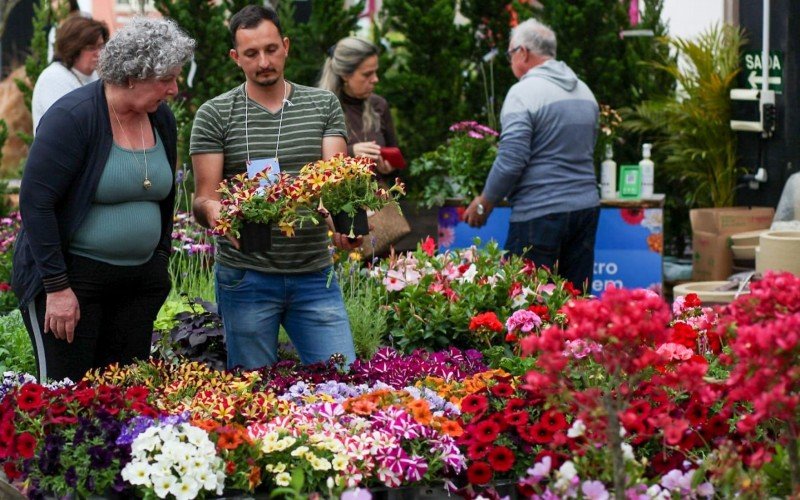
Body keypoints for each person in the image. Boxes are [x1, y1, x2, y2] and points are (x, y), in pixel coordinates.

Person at [13, 17, 195, 382]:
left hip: (136, 288)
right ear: (132, 77)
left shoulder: (160, 119)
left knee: (124, 399)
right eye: (166, 79)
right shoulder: (73, 117)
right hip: (72, 287)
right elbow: (36, 203)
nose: (174, 89)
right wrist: (57, 287)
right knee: (68, 401)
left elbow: (162, 194)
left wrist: (159, 261)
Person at [190, 5, 358, 371]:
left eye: (270, 49)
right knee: (253, 389)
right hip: (246, 275)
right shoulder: (215, 114)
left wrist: (343, 224)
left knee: (343, 378)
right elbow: (203, 199)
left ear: (286, 46)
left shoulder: (322, 104)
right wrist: (217, 213)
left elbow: (335, 178)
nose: (263, 61)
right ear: (235, 57)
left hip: (314, 273)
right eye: (251, 53)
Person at [463, 18, 600, 290]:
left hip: (539, 214)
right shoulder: (585, 92)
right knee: (575, 304)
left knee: (526, 303)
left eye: (510, 53)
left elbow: (511, 159)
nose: (510, 60)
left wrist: (484, 202)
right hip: (586, 208)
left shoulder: (523, 93)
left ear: (522, 52)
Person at [318, 37, 399, 179]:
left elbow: (396, 157)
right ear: (345, 75)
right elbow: (310, 165)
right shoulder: (320, 109)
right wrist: (350, 152)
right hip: (336, 198)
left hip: (377, 196)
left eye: (375, 71)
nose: (375, 79)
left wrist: (389, 167)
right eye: (367, 74)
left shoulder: (379, 105)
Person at [31, 14, 109, 132]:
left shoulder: (97, 74)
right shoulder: (53, 78)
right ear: (73, 48)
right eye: (91, 48)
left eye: (101, 46)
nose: (99, 53)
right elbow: (64, 126)